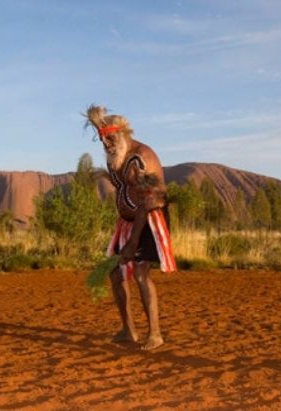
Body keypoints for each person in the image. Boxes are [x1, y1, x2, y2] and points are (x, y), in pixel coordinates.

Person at [85, 105, 177, 351]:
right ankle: (128, 330)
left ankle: (155, 334)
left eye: (111, 138)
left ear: (125, 134)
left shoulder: (139, 159)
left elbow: (146, 202)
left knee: (139, 273)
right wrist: (97, 122)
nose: (106, 143)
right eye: (102, 139)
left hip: (148, 221)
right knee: (115, 273)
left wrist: (133, 242)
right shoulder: (119, 152)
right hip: (127, 221)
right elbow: (107, 135)